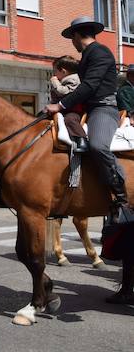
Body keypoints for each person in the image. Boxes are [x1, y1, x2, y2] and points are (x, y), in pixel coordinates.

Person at [45, 16, 132, 224]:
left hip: (103, 108)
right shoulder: (86, 55)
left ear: (76, 35)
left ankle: (120, 194)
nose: (72, 43)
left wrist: (61, 105)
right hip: (87, 109)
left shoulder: (100, 52)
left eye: (71, 38)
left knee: (98, 145)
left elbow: (90, 86)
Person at [49, 55, 86, 152]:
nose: (54, 75)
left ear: (63, 71)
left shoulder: (73, 80)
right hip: (63, 109)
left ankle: (81, 139)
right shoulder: (64, 80)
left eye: (55, 71)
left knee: (70, 120)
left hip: (74, 111)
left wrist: (55, 82)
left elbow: (63, 92)